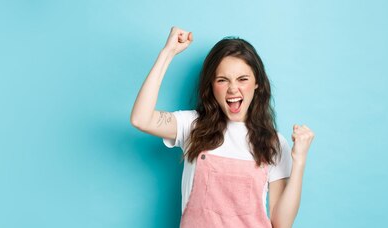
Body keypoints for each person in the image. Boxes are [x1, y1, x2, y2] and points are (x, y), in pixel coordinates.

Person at [131, 26, 315, 228]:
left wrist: (299, 161)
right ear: (211, 85)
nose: (233, 88)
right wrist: (168, 53)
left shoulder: (274, 142)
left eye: (242, 79)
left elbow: (282, 224)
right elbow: (141, 119)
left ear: (257, 84)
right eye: (222, 80)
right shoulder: (192, 126)